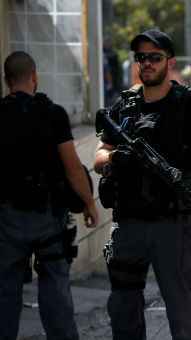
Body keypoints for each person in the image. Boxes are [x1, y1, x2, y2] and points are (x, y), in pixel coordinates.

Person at [93, 30, 191, 340]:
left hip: (174, 226)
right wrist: (115, 161)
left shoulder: (189, 106)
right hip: (129, 225)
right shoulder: (125, 107)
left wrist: (183, 185)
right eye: (141, 58)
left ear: (170, 63)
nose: (147, 63)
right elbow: (99, 154)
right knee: (123, 312)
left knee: (185, 317)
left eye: (154, 57)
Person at [0, 51, 98, 340]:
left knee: (5, 297)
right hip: (48, 218)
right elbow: (72, 168)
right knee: (56, 295)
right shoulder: (53, 114)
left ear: (6, 81)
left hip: (7, 219)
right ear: (34, 76)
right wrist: (89, 204)